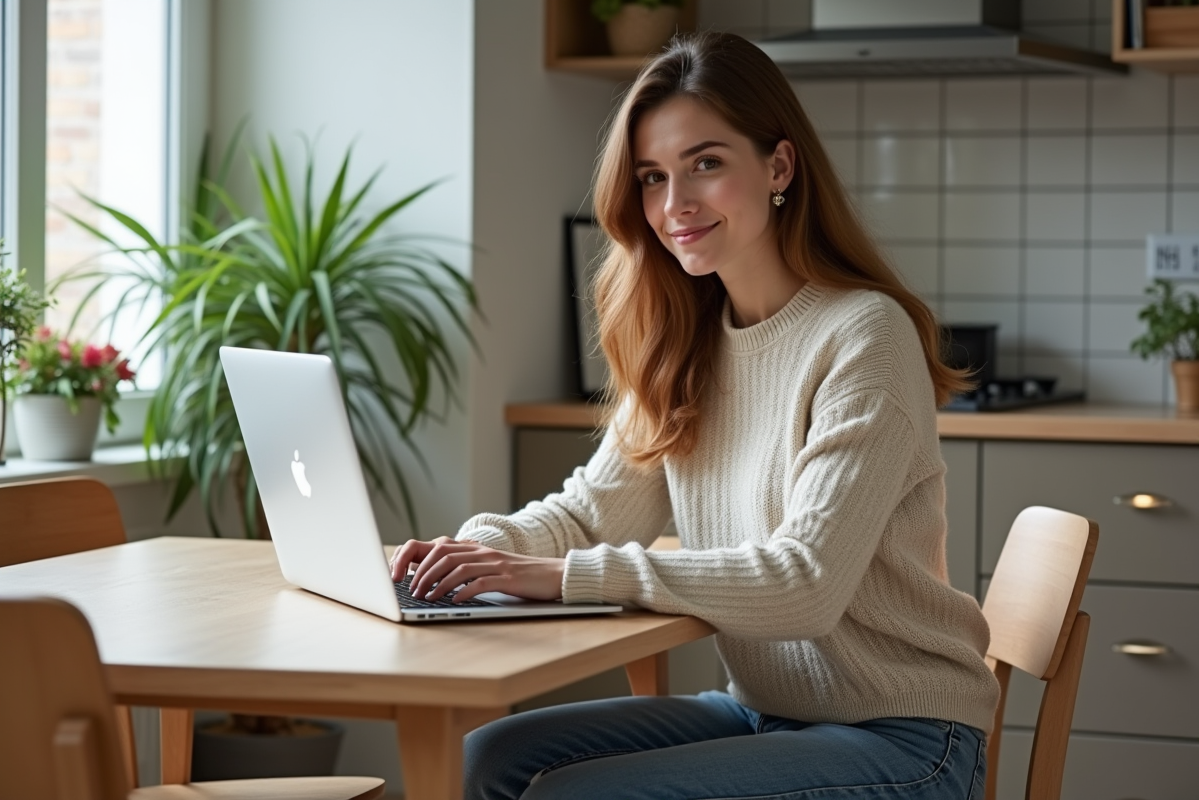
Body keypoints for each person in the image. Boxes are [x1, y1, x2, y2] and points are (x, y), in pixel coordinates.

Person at [390, 31, 999, 800]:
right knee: (486, 758)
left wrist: (557, 577)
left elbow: (805, 584)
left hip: (909, 737)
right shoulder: (686, 341)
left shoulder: (862, 335)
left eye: (705, 164)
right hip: (764, 711)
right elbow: (589, 515)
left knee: (572, 796)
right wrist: (473, 553)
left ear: (778, 166)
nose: (673, 205)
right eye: (652, 177)